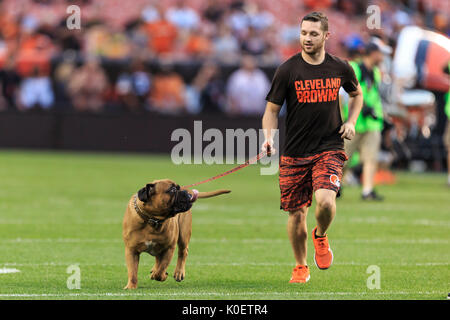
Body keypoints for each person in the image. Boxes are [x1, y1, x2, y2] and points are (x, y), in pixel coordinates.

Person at [261, 12, 363, 283]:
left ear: (326, 36)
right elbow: (271, 110)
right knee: (296, 216)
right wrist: (268, 138)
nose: (307, 38)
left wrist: (351, 121)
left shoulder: (341, 67)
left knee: (326, 201)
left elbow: (357, 94)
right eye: (304, 33)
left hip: (329, 146)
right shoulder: (287, 70)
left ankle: (320, 235)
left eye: (314, 34)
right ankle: (300, 266)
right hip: (294, 152)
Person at [342, 40, 391, 200]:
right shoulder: (355, 68)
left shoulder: (375, 72)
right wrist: (363, 108)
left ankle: (367, 191)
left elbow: (373, 95)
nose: (382, 57)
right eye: (380, 53)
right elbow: (347, 94)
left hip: (372, 123)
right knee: (343, 159)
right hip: (354, 122)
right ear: (373, 54)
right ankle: (334, 185)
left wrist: (379, 114)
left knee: (371, 158)